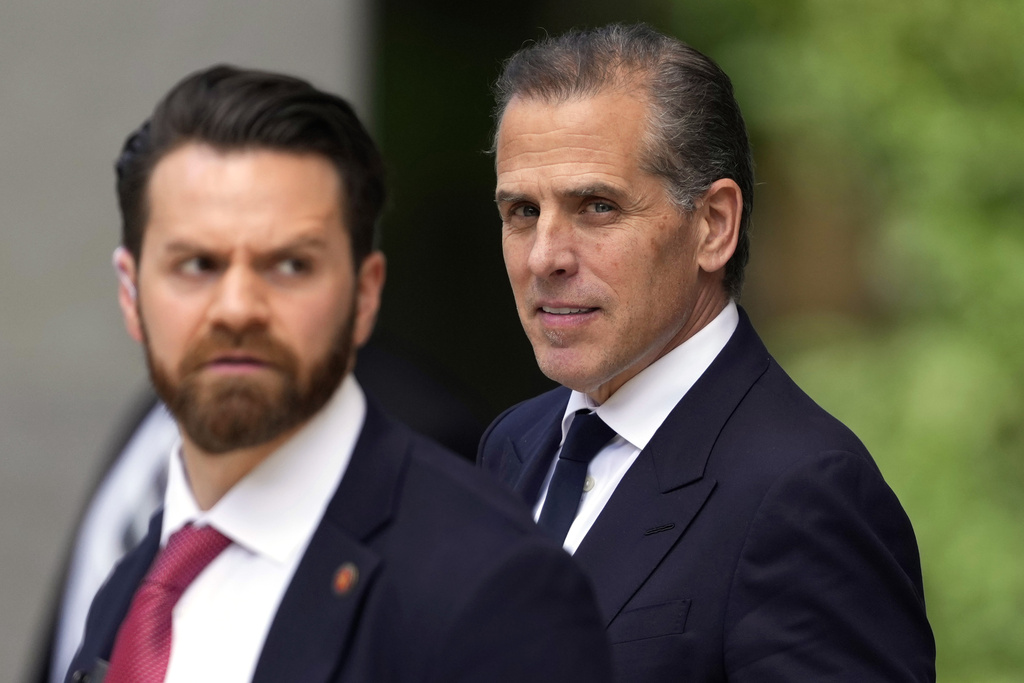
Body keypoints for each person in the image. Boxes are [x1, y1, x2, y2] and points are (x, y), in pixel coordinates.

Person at [66, 64, 611, 683]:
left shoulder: (495, 588)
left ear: (365, 294)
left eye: (291, 265)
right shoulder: (135, 585)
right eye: (197, 263)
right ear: (132, 294)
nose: (238, 308)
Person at [479, 23, 935, 682]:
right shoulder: (514, 444)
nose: (546, 255)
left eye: (597, 206)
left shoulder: (804, 492)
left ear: (714, 225)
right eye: (522, 210)